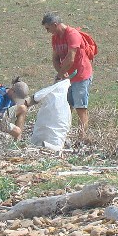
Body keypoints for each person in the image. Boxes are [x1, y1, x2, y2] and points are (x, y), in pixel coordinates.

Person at [42, 12, 93, 141]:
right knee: (66, 107)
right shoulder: (55, 38)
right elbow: (55, 58)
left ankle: (82, 138)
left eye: (48, 28)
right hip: (67, 78)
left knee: (80, 108)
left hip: (80, 75)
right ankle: (65, 136)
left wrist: (59, 75)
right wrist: (61, 73)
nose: (48, 32)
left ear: (55, 24)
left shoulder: (72, 34)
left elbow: (71, 58)